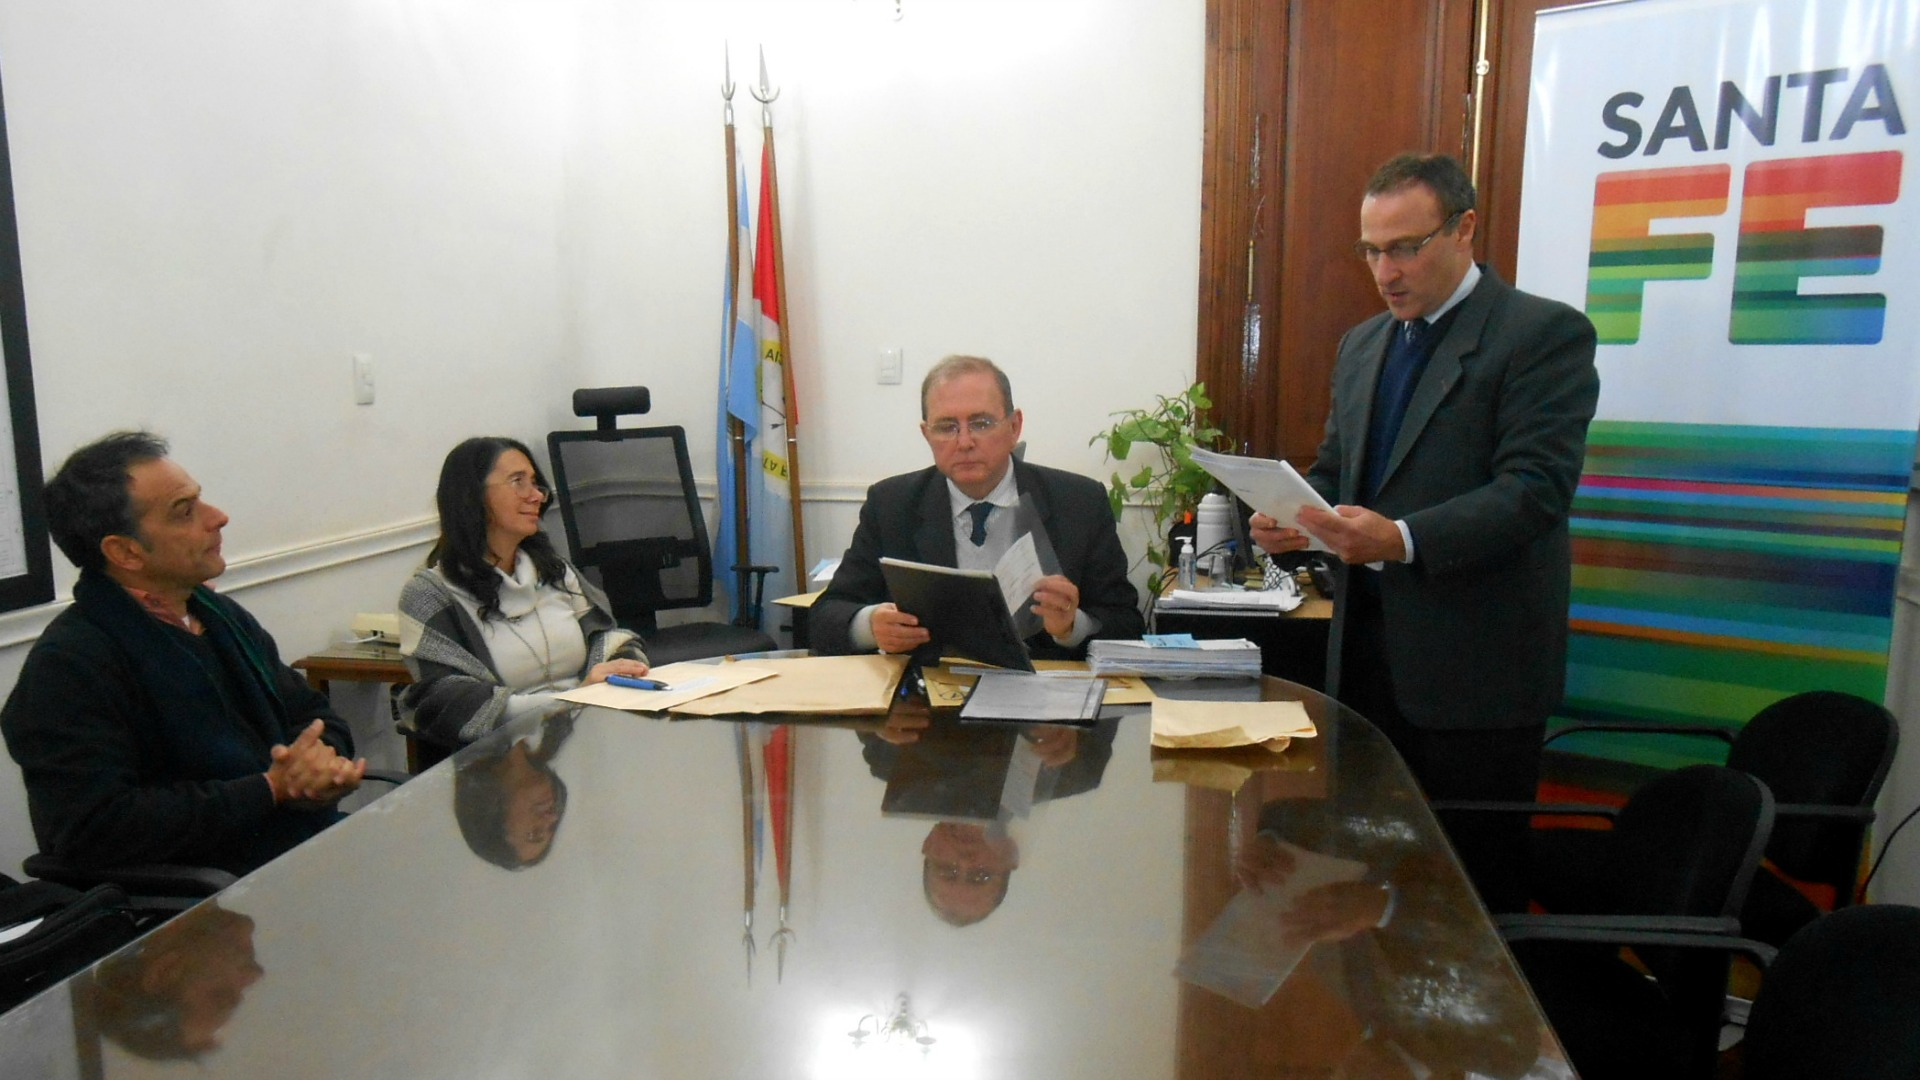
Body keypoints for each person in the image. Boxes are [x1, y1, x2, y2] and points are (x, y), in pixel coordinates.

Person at [1249, 153, 1600, 911]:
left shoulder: (1542, 334)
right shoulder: (1363, 344)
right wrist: (1295, 517)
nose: (1386, 271)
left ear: (1464, 228)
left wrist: (1401, 538)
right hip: (1364, 663)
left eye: (1405, 247)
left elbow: (1535, 489)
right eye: (1371, 251)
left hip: (1476, 675)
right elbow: (1339, 472)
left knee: (1465, 896)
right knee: (1363, 886)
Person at [0, 432, 365, 876]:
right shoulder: (68, 664)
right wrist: (269, 789)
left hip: (297, 847)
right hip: (204, 892)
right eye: (185, 511)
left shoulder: (216, 614)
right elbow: (93, 826)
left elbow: (312, 713)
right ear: (125, 551)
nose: (218, 517)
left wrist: (320, 763)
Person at [813, 354, 1143, 661]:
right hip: (932, 693)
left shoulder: (1079, 502)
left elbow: (1127, 625)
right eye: (947, 427)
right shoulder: (892, 504)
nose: (965, 442)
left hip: (1047, 689)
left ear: (1014, 426)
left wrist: (1071, 627)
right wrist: (872, 624)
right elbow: (825, 616)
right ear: (926, 434)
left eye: (981, 423)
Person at [397, 437, 650, 751]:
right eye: (518, 482)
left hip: (589, 735)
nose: (537, 496)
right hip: (501, 758)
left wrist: (623, 668)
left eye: (535, 483)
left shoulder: (555, 570)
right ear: (471, 496)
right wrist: (571, 701)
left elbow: (607, 636)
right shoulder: (431, 595)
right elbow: (442, 701)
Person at [454, 709, 575, 870]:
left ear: (489, 817)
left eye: (534, 833)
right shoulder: (560, 724)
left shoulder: (464, 726)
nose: (552, 817)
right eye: (552, 827)